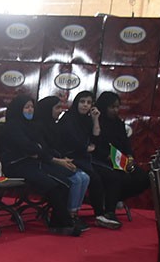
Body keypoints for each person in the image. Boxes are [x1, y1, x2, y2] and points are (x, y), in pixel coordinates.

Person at [0, 94, 80, 236]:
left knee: (64, 182)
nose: (30, 110)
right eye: (26, 107)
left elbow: (39, 147)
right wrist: (36, 150)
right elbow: (28, 147)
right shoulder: (12, 126)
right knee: (53, 185)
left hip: (33, 163)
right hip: (16, 166)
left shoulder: (31, 125)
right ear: (18, 108)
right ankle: (66, 223)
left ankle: (58, 224)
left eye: (31, 107)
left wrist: (36, 150)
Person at [56, 91, 122, 229]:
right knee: (93, 178)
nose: (85, 105)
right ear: (76, 102)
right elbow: (72, 142)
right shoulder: (68, 118)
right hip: (69, 157)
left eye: (89, 103)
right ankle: (92, 214)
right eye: (82, 102)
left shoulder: (86, 119)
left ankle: (107, 212)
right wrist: (86, 147)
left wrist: (95, 119)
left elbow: (95, 139)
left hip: (84, 158)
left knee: (111, 175)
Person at [32, 96, 90, 230]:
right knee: (76, 179)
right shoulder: (38, 127)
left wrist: (65, 159)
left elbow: (59, 147)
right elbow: (43, 151)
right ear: (48, 109)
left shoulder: (55, 125)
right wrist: (60, 161)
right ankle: (69, 215)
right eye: (57, 108)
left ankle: (74, 213)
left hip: (58, 160)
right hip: (44, 163)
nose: (60, 111)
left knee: (84, 177)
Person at [92, 91, 150, 205]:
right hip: (102, 160)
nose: (115, 110)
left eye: (117, 107)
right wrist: (108, 157)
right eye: (112, 107)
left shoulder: (118, 123)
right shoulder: (96, 122)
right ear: (104, 106)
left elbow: (126, 143)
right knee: (118, 177)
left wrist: (130, 157)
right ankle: (109, 206)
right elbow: (95, 145)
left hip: (120, 160)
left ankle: (114, 198)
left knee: (143, 178)